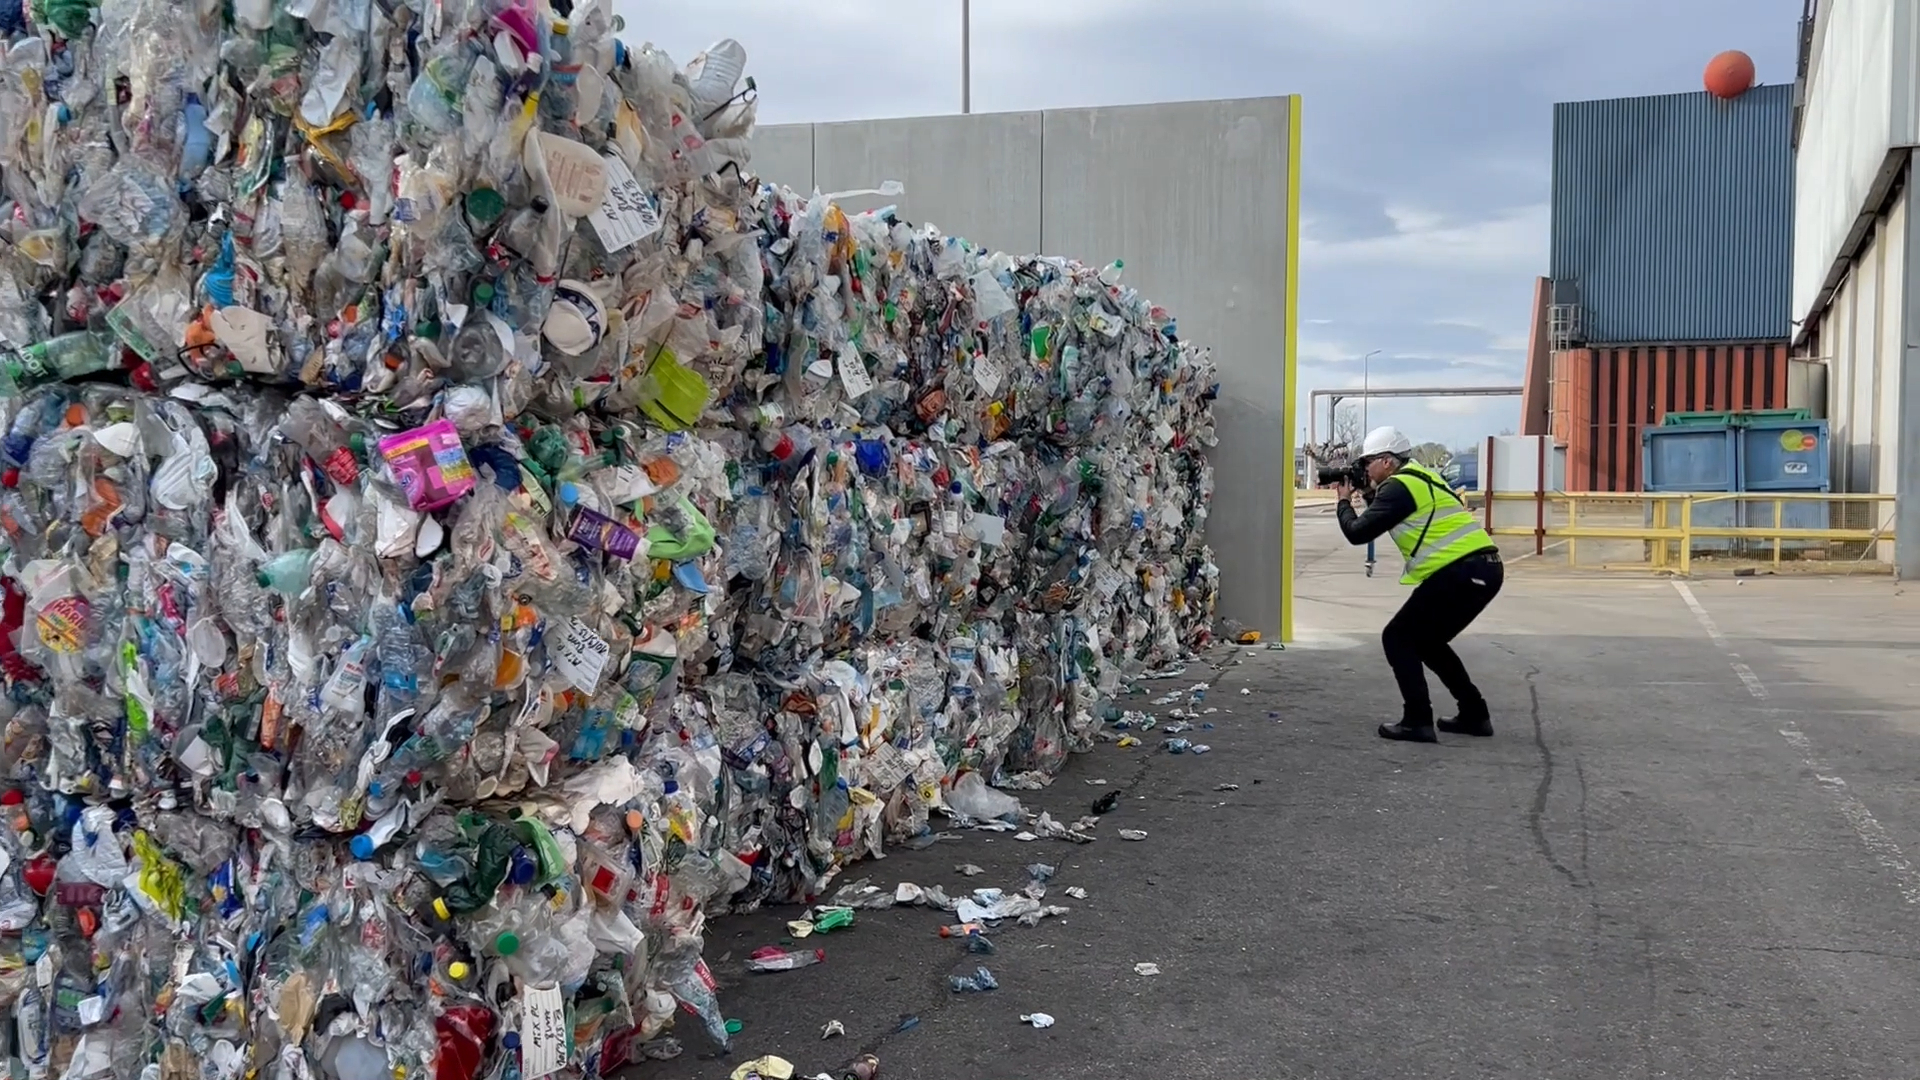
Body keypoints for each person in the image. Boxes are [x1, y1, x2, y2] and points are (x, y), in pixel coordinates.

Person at [1332, 426, 1504, 743]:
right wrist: (1368, 492)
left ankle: (1417, 720)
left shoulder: (1399, 487)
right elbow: (1383, 516)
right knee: (1427, 643)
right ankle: (1474, 714)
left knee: (1397, 637)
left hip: (1462, 570)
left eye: (1368, 462)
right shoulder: (1419, 478)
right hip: (1482, 569)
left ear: (1387, 461)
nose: (1365, 468)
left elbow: (1358, 532)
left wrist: (1343, 501)